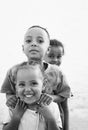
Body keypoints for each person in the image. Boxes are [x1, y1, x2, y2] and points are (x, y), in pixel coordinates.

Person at [0, 25, 50, 109]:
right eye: (28, 41)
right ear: (23, 48)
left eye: (40, 41)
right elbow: (9, 92)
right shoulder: (13, 71)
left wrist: (51, 98)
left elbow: (63, 98)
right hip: (22, 117)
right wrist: (10, 99)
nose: (33, 44)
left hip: (50, 118)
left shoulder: (57, 72)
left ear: (48, 49)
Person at [2, 64, 62, 130]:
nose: (27, 89)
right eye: (22, 84)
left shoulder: (51, 106)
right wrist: (16, 117)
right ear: (16, 87)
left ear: (43, 84)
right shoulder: (13, 106)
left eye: (34, 83)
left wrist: (50, 118)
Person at [44, 39, 71, 130]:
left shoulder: (60, 75)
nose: (55, 60)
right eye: (51, 56)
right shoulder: (33, 73)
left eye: (59, 56)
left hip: (56, 120)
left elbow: (65, 106)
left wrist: (66, 128)